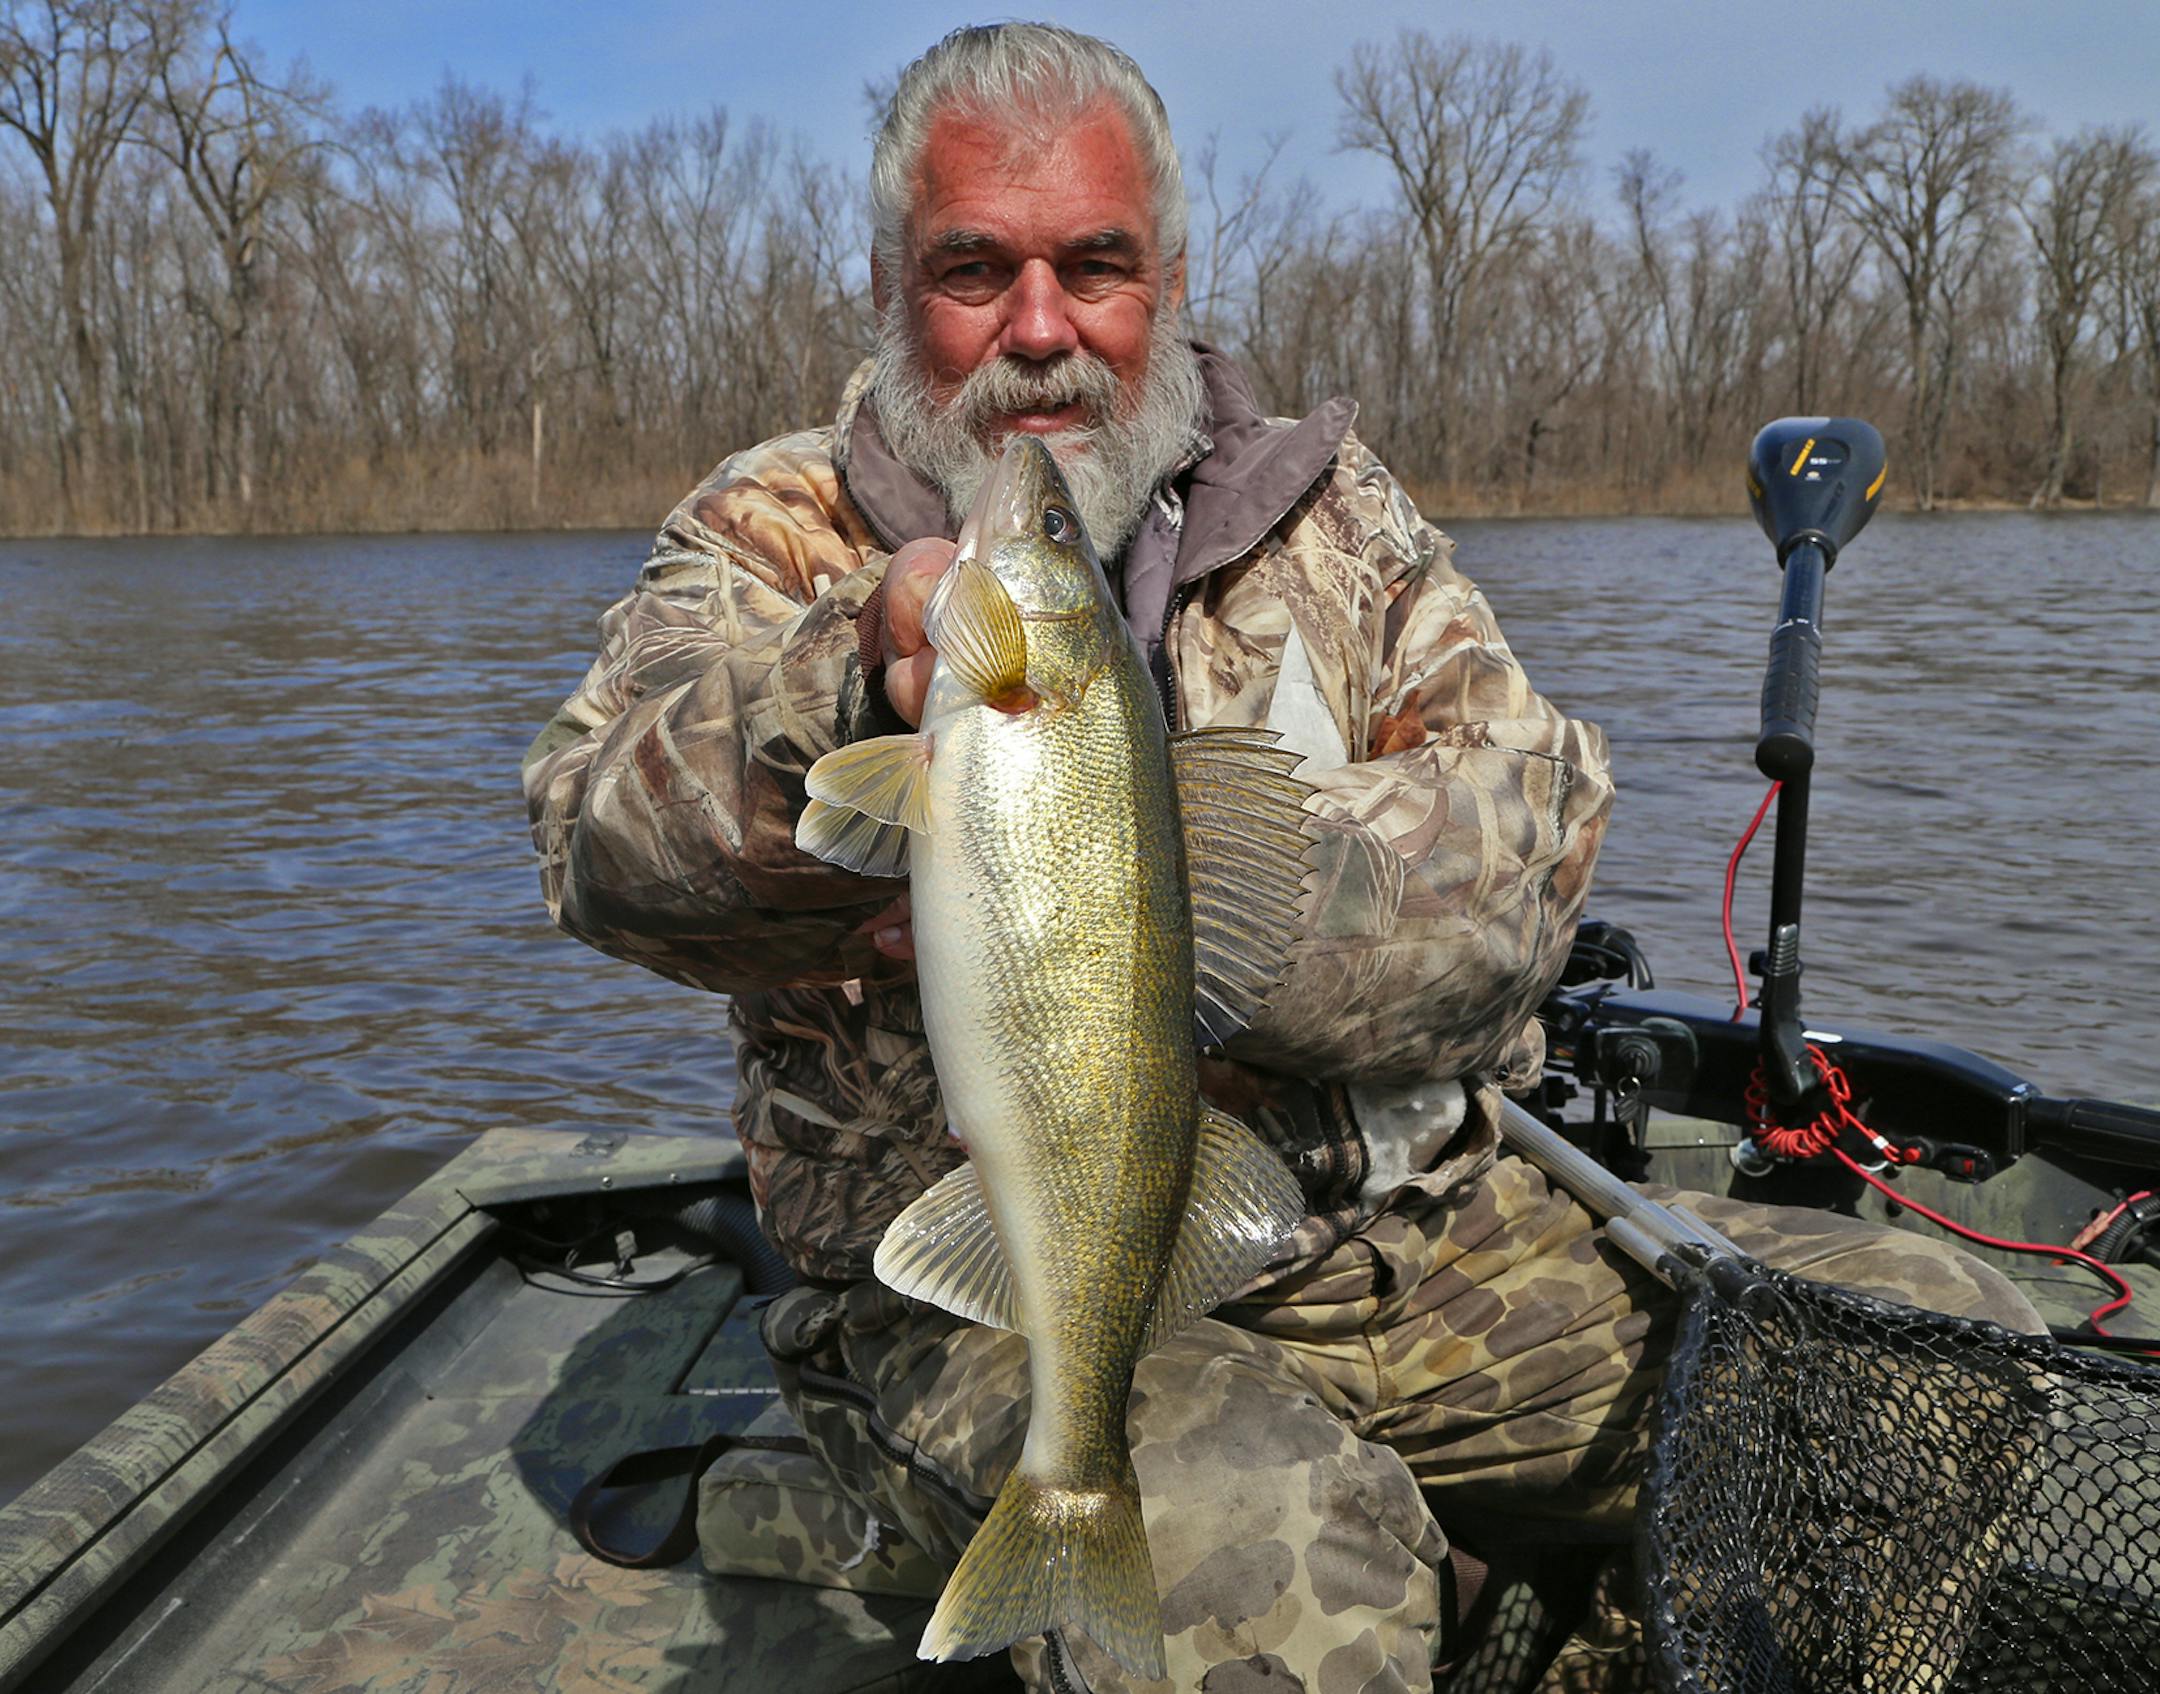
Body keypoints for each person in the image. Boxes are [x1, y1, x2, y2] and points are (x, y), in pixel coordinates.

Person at [524, 23, 2040, 1692]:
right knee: (1280, 1584)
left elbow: (1531, 841)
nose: (1040, 330)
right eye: (977, 269)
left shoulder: (1336, 515)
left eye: (1094, 264)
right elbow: (596, 830)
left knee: (1930, 1349)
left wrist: (1170, 900)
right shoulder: (778, 528)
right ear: (896, 285)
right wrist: (831, 698)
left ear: (1167, 276)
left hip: (1419, 1238)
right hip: (999, 1299)